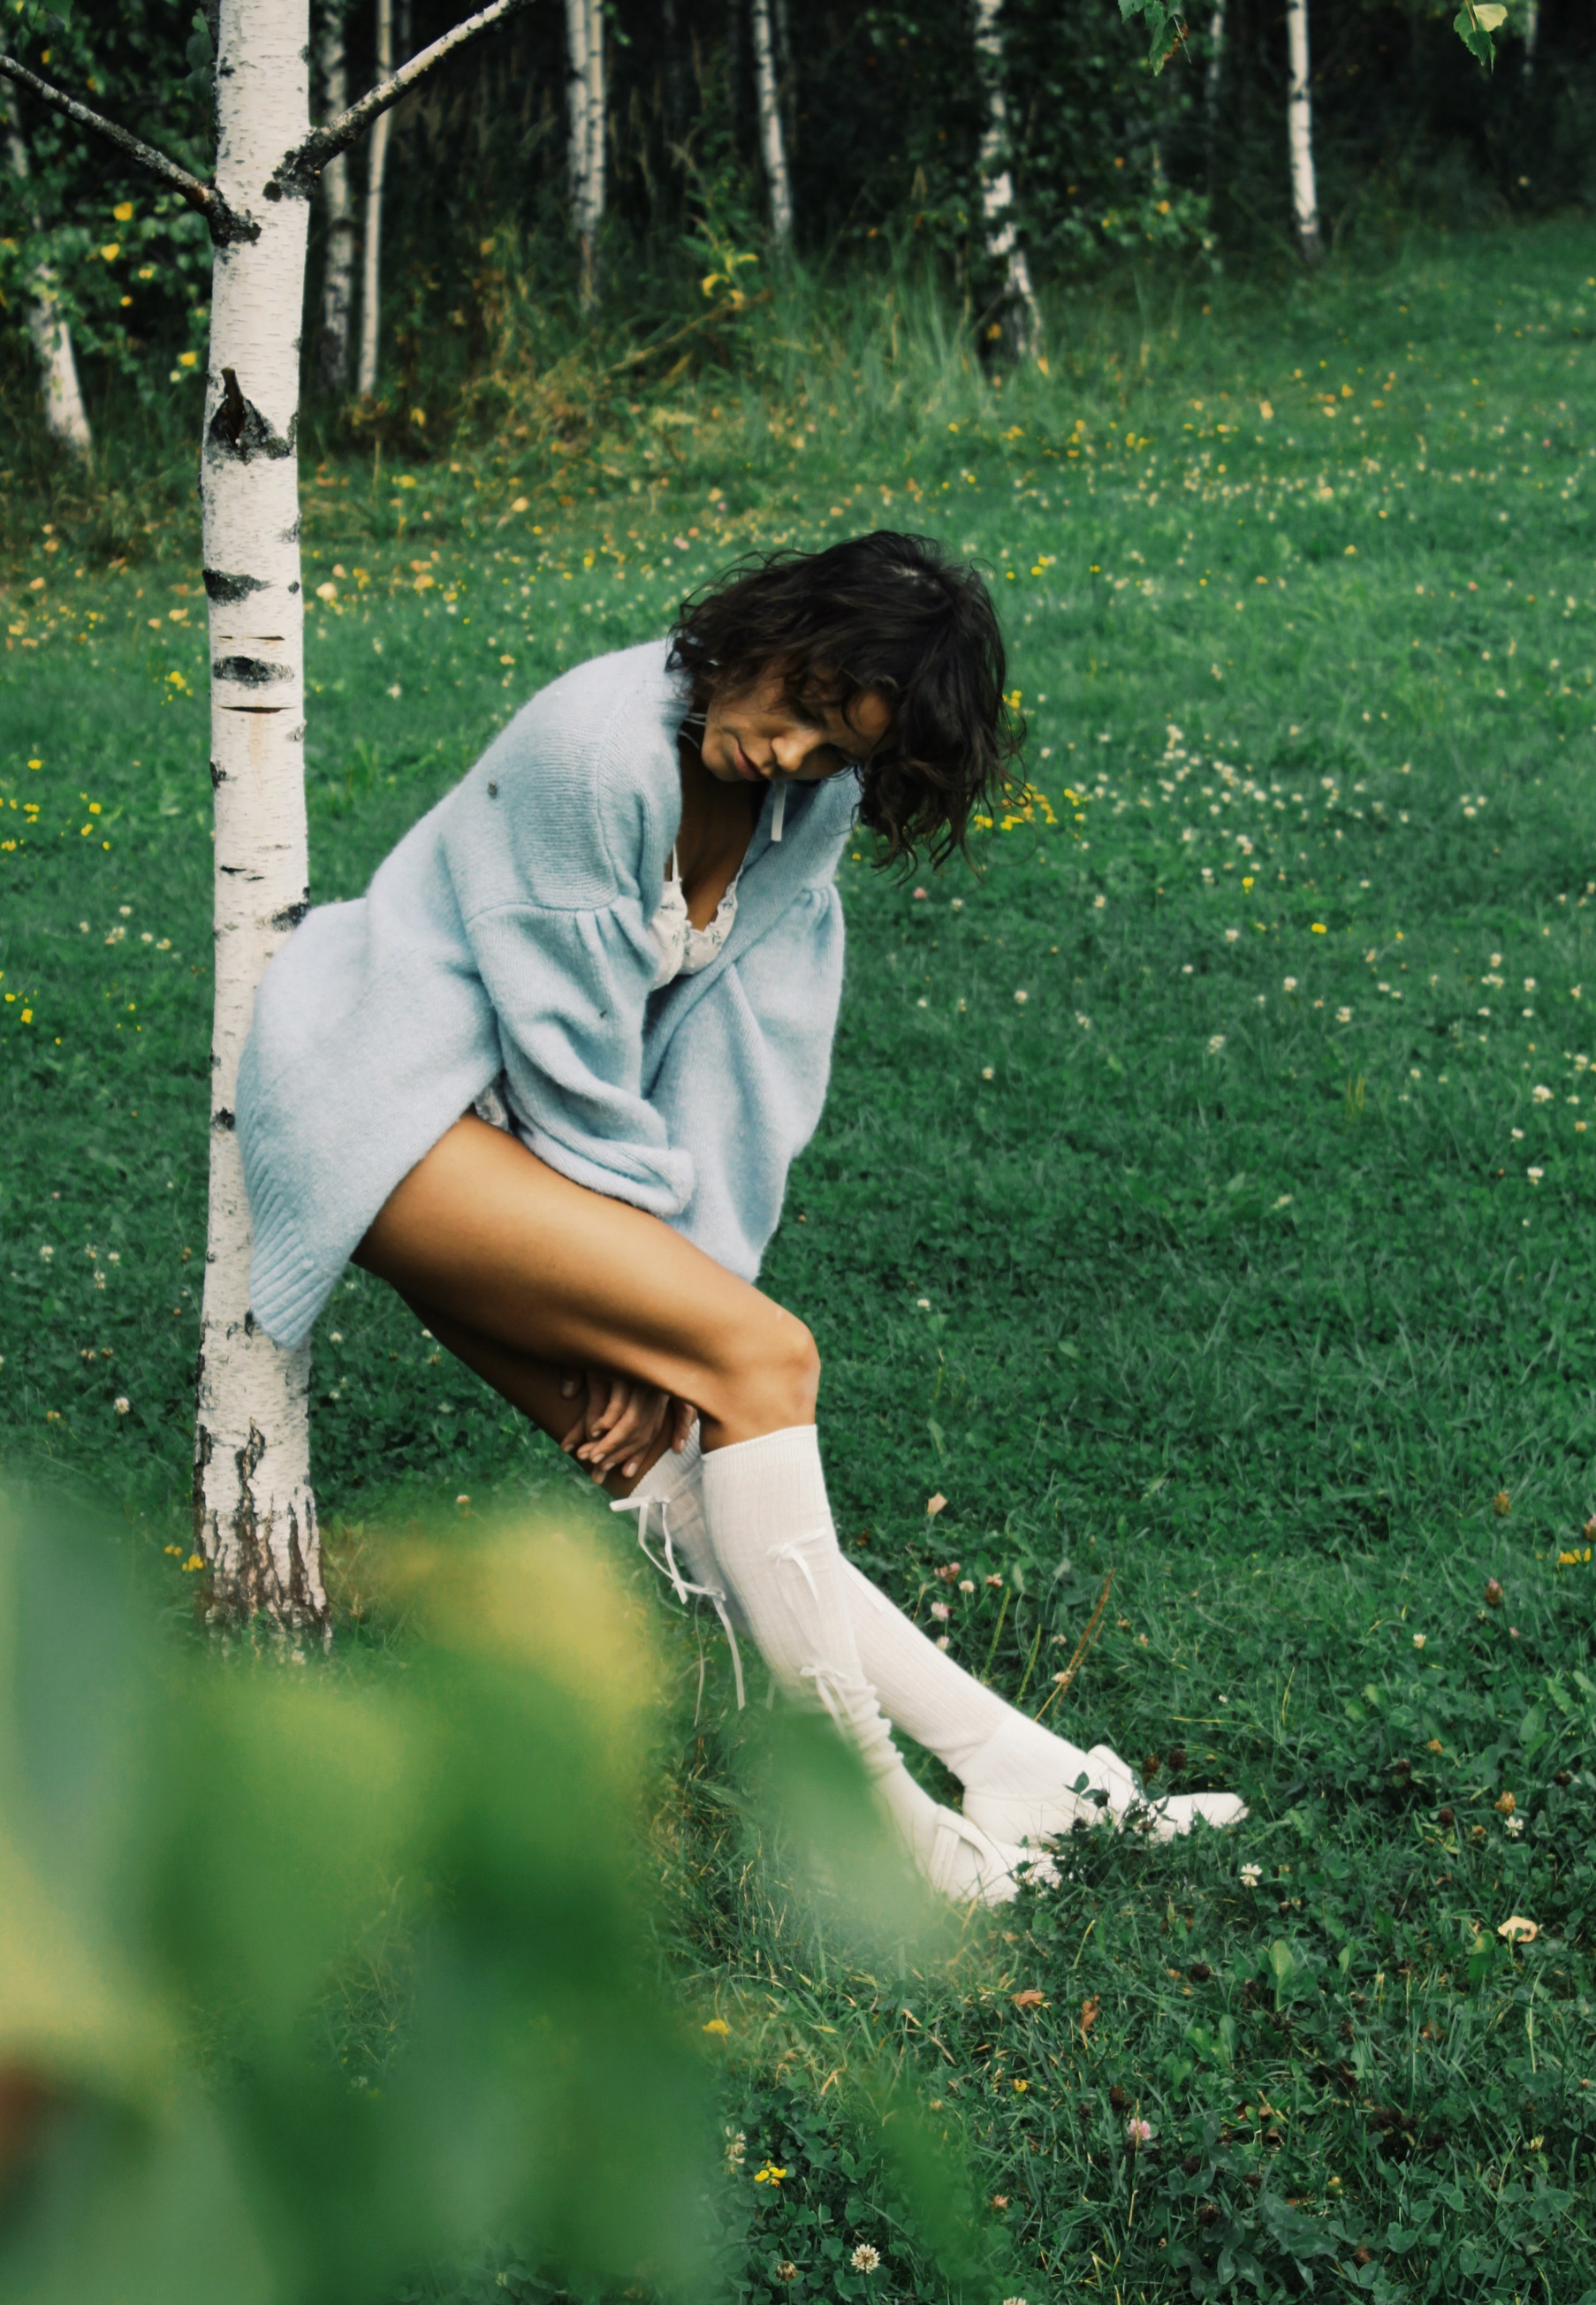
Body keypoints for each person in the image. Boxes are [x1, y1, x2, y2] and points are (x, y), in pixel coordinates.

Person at [238, 530, 1244, 1901]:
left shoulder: (799, 807)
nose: (791, 755)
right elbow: (571, 1068)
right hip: (388, 1091)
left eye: (837, 752)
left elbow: (740, 1068)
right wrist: (657, 1326)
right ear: (779, 632)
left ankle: (1025, 1774)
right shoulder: (595, 752)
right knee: (764, 1360)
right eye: (803, 710)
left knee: (698, 1463)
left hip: (523, 1140)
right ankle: (884, 1836)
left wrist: (678, 1301)